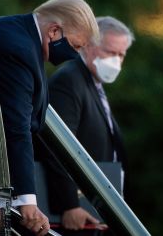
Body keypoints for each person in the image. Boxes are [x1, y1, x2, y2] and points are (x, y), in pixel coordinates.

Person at [0, 0, 99, 235]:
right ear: (54, 31)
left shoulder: (20, 37)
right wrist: (26, 200)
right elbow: (16, 127)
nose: (74, 55)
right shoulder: (19, 49)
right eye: (75, 46)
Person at [47, 16, 134, 233]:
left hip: (96, 209)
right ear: (88, 45)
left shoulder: (92, 85)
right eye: (110, 52)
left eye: (121, 55)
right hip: (74, 212)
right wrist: (69, 205)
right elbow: (57, 145)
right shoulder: (69, 81)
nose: (116, 61)